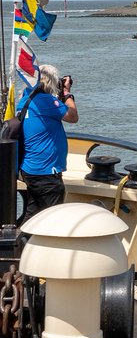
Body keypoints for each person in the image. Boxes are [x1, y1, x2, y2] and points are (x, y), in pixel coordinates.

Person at [17, 65, 77, 223]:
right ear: (51, 82)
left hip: (30, 169)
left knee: (33, 216)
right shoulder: (46, 101)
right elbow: (72, 116)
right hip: (46, 172)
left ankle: (21, 245)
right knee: (52, 220)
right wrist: (66, 92)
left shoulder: (26, 98)